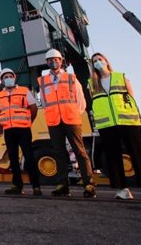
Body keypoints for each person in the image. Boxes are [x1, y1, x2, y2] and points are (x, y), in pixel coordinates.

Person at [88, 52, 141, 201]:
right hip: (107, 125)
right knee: (113, 157)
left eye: (100, 59)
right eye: (95, 61)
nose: (98, 62)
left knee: (137, 155)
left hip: (128, 122)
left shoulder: (121, 77)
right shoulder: (92, 83)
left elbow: (131, 97)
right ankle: (122, 189)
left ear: (106, 61)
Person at [38, 49, 96, 198]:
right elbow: (44, 103)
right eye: (50, 60)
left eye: (55, 59)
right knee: (59, 153)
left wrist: (72, 113)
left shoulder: (71, 78)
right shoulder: (43, 81)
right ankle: (62, 185)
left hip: (71, 120)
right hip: (54, 121)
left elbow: (81, 101)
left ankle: (89, 184)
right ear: (47, 63)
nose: (53, 62)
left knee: (80, 151)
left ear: (61, 61)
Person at [0, 68, 42, 196]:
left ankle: (36, 186)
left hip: (23, 129)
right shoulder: (0, 95)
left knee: (29, 157)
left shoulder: (24, 91)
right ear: (2, 80)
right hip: (8, 131)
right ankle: (17, 185)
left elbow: (34, 108)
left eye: (10, 76)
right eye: (5, 77)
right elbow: (2, 112)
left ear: (14, 77)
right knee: (13, 158)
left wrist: (28, 122)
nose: (8, 78)